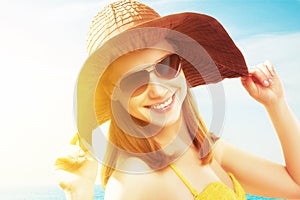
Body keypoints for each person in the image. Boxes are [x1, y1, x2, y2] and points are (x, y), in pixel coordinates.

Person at [53, 0, 300, 199]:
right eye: (134, 81)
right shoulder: (135, 184)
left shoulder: (208, 150)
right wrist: (80, 195)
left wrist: (276, 104)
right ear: (113, 94)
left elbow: (296, 187)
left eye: (166, 66)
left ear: (180, 62)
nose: (158, 90)